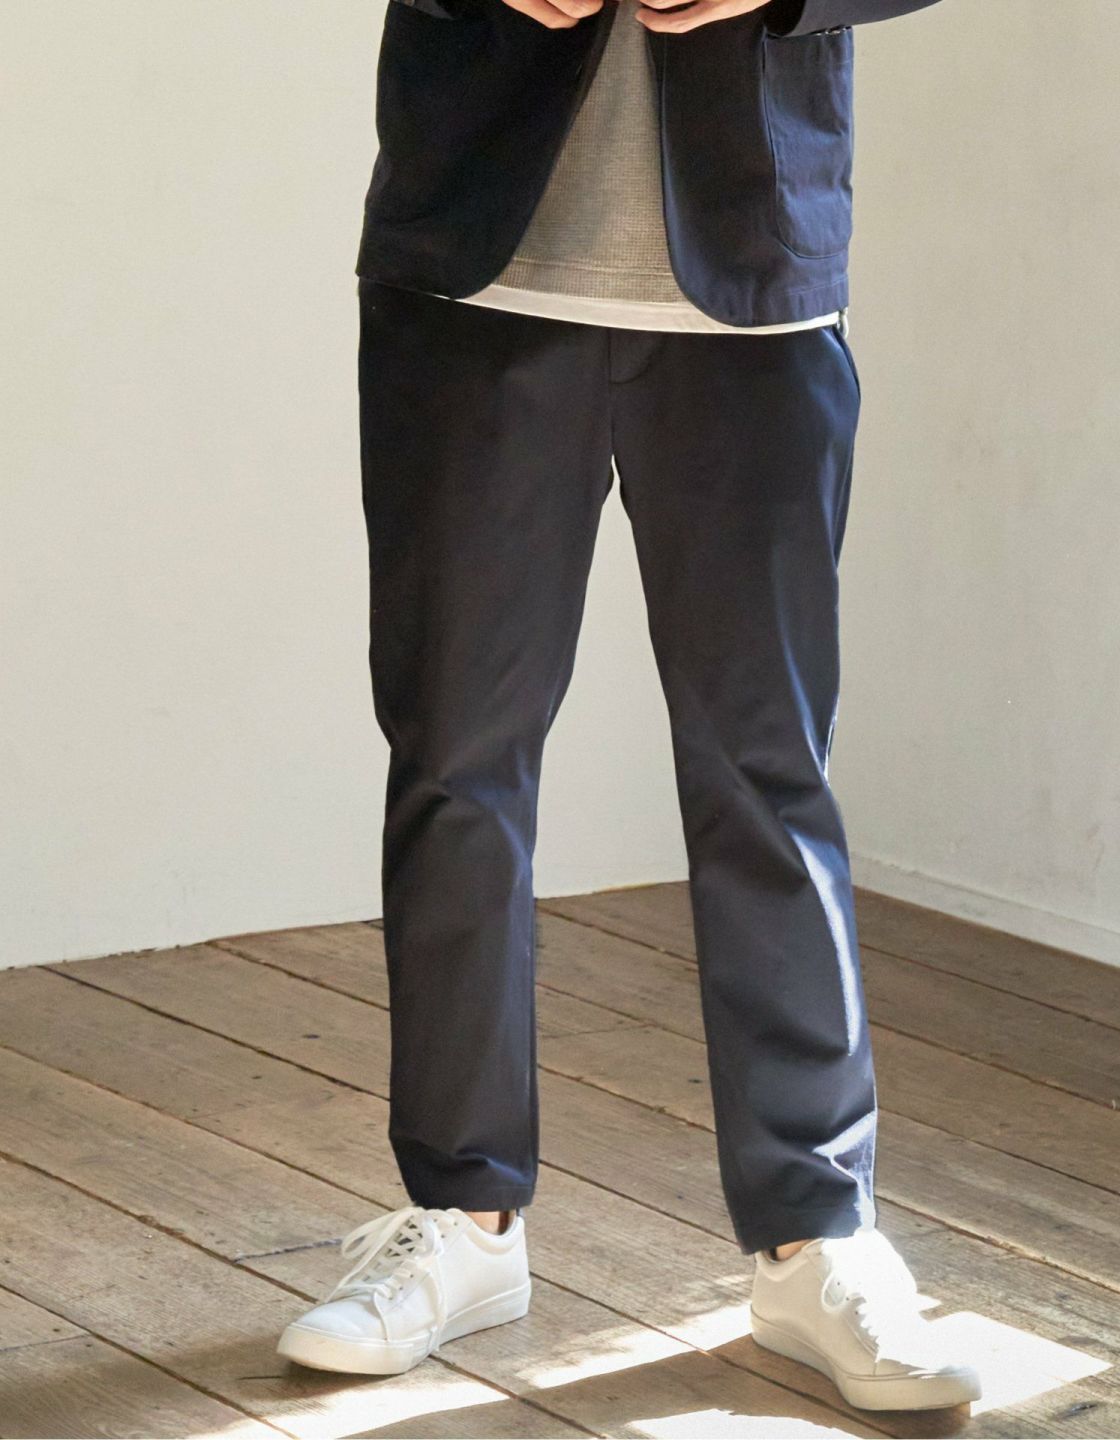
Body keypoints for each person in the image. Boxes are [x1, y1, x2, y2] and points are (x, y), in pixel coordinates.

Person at [277, 0, 982, 1413]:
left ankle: (815, 1237)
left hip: (757, 281)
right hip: (471, 276)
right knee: (457, 765)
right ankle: (463, 1218)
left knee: (768, 776)